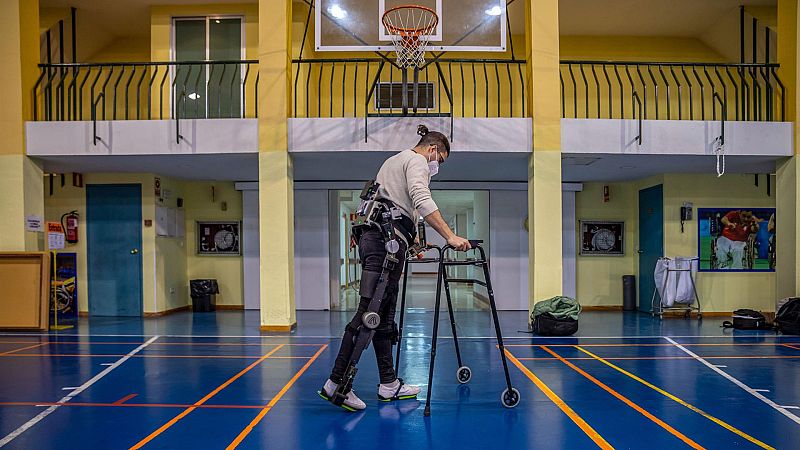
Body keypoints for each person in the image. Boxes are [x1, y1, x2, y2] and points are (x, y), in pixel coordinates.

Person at [320, 125, 471, 411]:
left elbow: (394, 208)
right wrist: (450, 236)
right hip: (383, 244)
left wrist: (412, 244)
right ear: (433, 150)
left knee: (384, 320)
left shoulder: (393, 161)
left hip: (382, 240)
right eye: (440, 160)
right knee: (369, 314)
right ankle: (337, 384)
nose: (438, 166)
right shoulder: (416, 161)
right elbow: (420, 197)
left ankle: (389, 384)